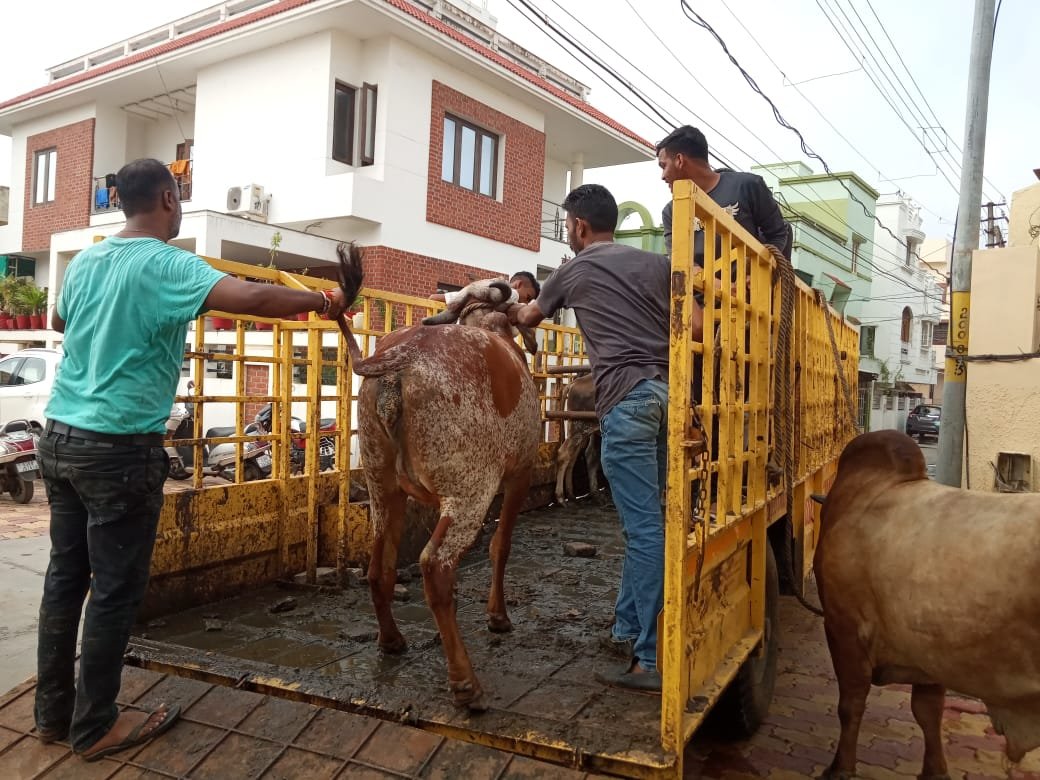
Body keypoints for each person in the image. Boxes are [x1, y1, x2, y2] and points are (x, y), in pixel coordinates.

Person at [34, 158, 348, 762]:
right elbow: (251, 295)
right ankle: (95, 726)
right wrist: (323, 299)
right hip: (119, 450)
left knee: (65, 578)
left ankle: (52, 716)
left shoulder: (87, 261)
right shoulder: (170, 264)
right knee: (113, 593)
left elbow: (57, 321)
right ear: (169, 199)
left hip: (59, 439)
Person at [513, 184, 702, 692]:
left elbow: (529, 316)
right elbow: (699, 323)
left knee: (646, 533)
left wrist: (501, 304)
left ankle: (650, 659)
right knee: (649, 524)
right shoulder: (657, 265)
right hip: (669, 397)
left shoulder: (575, 270)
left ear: (577, 225)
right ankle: (624, 627)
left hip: (627, 402)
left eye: (567, 227)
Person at [657, 125, 791, 261]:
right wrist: (718, 284)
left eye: (664, 166)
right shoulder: (671, 212)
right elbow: (680, 260)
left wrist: (759, 272)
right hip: (700, 282)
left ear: (680, 160)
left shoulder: (747, 186)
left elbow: (778, 234)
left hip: (750, 282)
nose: (662, 176)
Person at [430, 270, 540, 306]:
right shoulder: (511, 295)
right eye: (527, 297)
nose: (525, 303)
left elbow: (433, 298)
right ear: (518, 284)